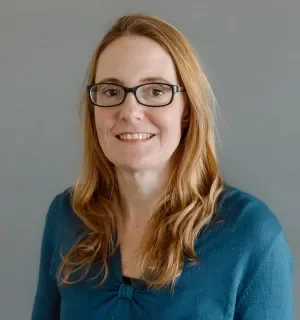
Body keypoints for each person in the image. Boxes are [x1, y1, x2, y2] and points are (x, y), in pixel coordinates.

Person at [31, 13, 293, 320]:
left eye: (155, 91)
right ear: (93, 110)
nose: (130, 112)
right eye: (111, 91)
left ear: (186, 110)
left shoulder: (251, 234)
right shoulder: (67, 216)